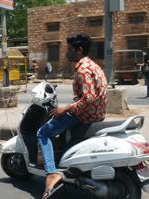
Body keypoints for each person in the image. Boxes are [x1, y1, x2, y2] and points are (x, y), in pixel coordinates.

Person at [37, 34, 108, 199]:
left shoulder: (82, 69)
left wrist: (66, 108)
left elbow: (88, 98)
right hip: (96, 113)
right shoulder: (93, 65)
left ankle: (51, 173)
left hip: (85, 115)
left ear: (79, 50)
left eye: (69, 49)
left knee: (42, 132)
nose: (67, 53)